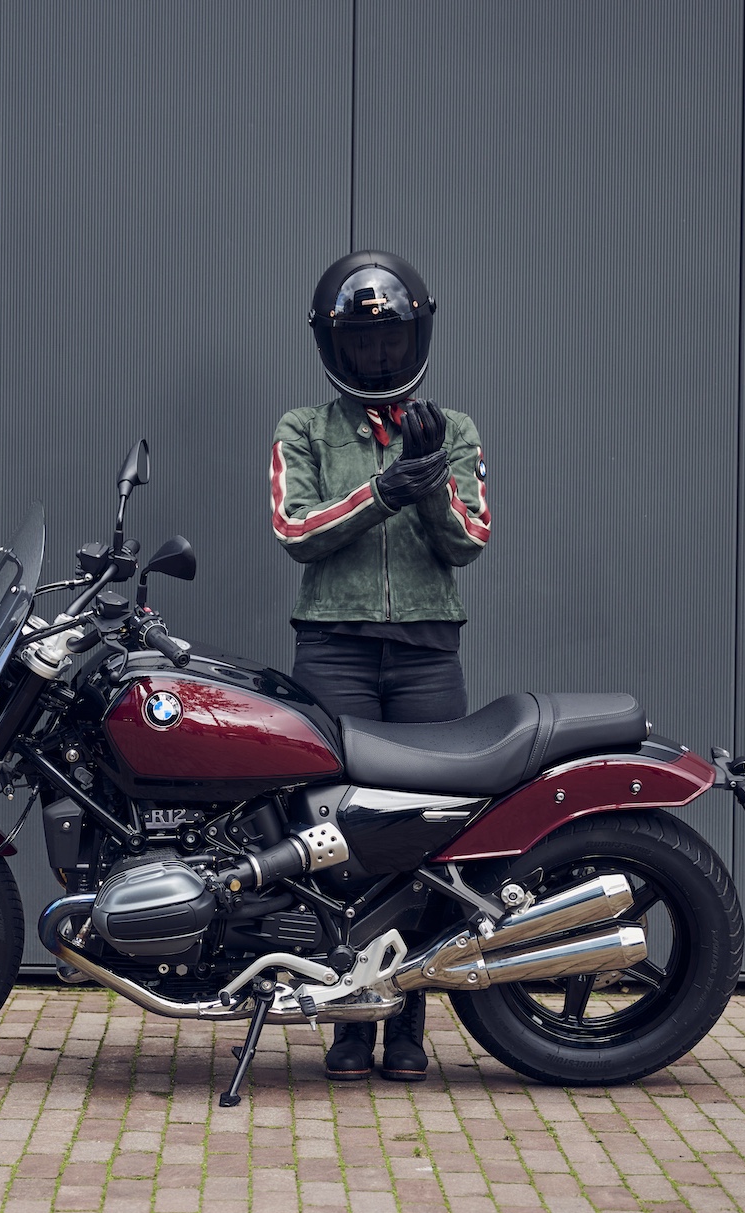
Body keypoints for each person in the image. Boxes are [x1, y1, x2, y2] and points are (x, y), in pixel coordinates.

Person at [268, 250, 491, 1082]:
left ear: (416, 336)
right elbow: (296, 532)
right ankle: (347, 1022)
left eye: (392, 340)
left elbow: (467, 543)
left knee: (431, 833)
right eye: (363, 344)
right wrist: (385, 490)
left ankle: (409, 1024)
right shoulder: (305, 428)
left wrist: (429, 483)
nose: (380, 357)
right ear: (336, 348)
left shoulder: (454, 428)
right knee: (336, 836)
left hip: (428, 651)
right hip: (334, 647)